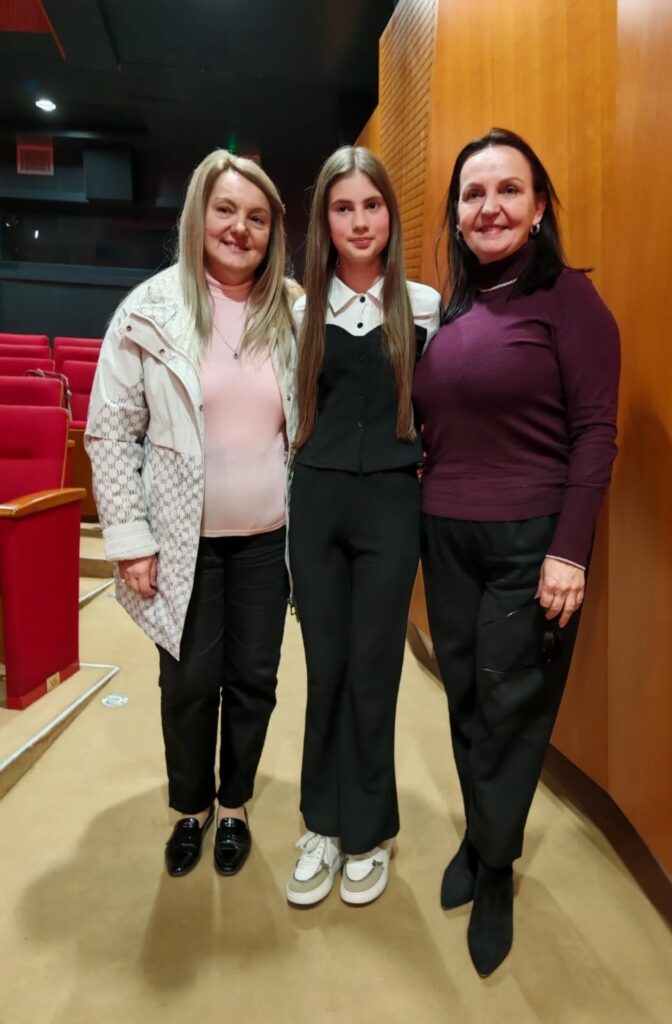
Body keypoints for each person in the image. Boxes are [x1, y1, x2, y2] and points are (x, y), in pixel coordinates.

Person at [413, 128, 620, 975]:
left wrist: (570, 551)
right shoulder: (454, 311)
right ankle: (481, 837)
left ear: (538, 208)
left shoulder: (571, 301)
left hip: (530, 546)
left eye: (508, 190)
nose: (489, 206)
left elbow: (596, 433)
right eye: (473, 194)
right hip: (445, 537)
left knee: (511, 710)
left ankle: (495, 868)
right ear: (457, 215)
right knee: (465, 700)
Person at [85, 150, 296, 878]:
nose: (240, 228)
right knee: (188, 683)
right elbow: (111, 431)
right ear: (198, 215)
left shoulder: (294, 312)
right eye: (226, 209)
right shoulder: (148, 311)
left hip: (269, 542)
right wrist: (130, 540)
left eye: (257, 217)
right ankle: (191, 807)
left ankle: (234, 804)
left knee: (255, 680)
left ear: (273, 232)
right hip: (182, 543)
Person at [285, 146, 440, 907]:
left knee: (375, 671)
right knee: (326, 669)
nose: (358, 221)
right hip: (316, 503)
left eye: (370, 205)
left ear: (389, 214)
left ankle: (367, 831)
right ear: (325, 220)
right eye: (342, 207)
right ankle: (321, 821)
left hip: (390, 505)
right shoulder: (297, 310)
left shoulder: (424, 305)